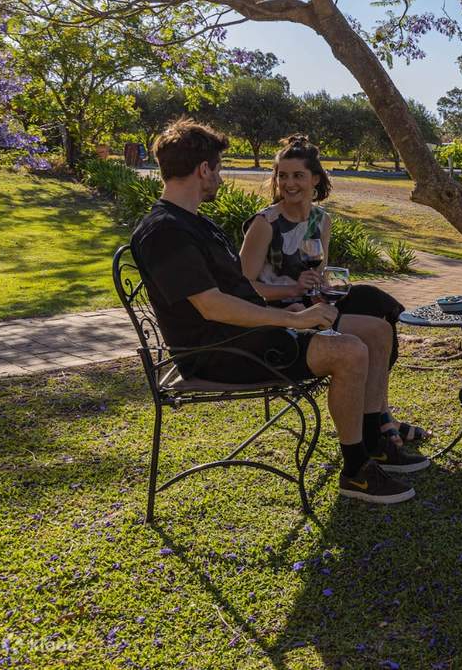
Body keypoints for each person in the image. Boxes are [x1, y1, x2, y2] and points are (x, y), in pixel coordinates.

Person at [129, 119, 427, 506]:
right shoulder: (165, 231)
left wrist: (300, 310)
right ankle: (356, 471)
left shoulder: (194, 223)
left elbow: (234, 289)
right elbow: (212, 305)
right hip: (220, 353)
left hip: (246, 336)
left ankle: (375, 440)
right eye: (218, 167)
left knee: (374, 329)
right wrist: (293, 319)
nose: (220, 177)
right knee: (349, 350)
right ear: (204, 169)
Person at [238, 134, 431, 450]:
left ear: (314, 178)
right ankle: (381, 421)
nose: (289, 183)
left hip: (312, 306)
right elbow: (243, 289)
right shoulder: (265, 223)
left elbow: (319, 272)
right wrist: (293, 288)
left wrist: (322, 288)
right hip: (283, 314)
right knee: (376, 329)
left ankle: (380, 415)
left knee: (377, 305)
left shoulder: (321, 219)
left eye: (297, 175)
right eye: (282, 176)